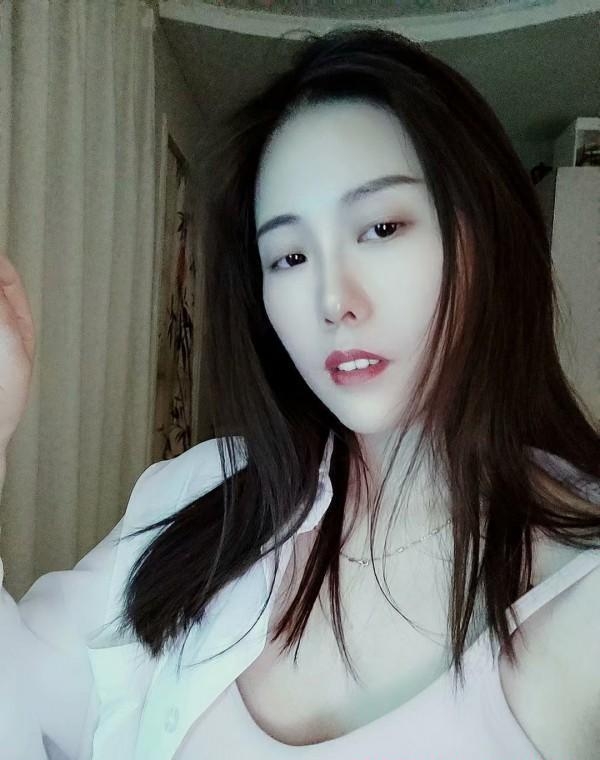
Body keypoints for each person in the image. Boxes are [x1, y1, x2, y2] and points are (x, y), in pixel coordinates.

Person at [1, 25, 599, 760]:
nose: (333, 300)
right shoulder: (203, 497)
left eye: (381, 227)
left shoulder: (581, 600)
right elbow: (23, 700)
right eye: (288, 256)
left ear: (486, 237)